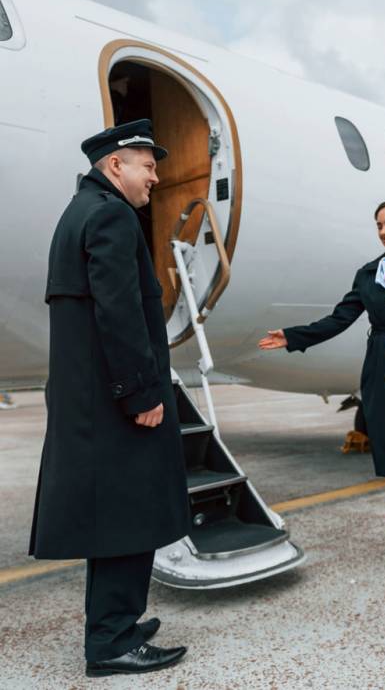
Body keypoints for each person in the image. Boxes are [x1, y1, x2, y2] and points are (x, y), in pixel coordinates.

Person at [29, 119, 191, 677]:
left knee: (115, 517)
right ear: (115, 164)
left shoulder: (83, 211)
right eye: (148, 167)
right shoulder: (110, 216)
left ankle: (117, 618)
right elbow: (119, 313)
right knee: (128, 514)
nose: (154, 179)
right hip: (115, 400)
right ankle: (111, 640)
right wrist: (140, 391)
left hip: (94, 398)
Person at [258, 199, 385, 570]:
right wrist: (293, 337)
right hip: (382, 374)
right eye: (380, 226)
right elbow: (340, 318)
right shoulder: (369, 274)